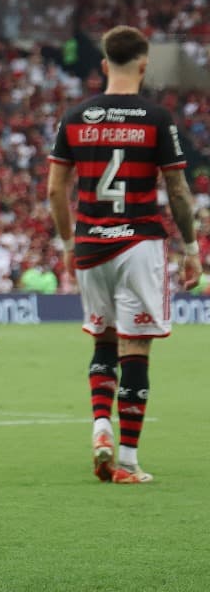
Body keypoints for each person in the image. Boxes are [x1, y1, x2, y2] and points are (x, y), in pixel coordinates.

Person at [47, 25, 201, 485]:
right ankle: (129, 461)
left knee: (103, 340)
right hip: (139, 242)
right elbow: (176, 188)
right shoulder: (157, 119)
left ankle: (100, 429)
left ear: (102, 65)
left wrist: (69, 243)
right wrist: (191, 248)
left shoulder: (74, 117)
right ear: (143, 63)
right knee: (136, 346)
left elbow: (56, 190)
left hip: (92, 243)